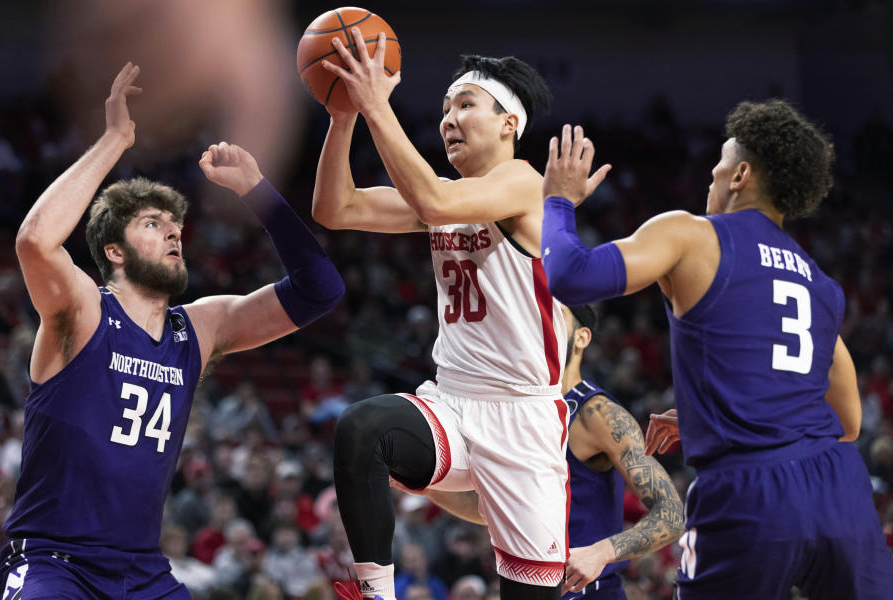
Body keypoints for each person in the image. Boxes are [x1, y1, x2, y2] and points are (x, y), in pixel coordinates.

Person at [0, 62, 344, 599]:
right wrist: (115, 140)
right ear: (114, 251)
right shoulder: (83, 312)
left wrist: (257, 191)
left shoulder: (199, 329)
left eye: (176, 225)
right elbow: (35, 242)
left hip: (142, 573)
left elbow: (321, 289)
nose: (174, 232)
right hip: (53, 563)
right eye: (152, 224)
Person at [539, 101, 893, 599]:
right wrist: (717, 414)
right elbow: (847, 422)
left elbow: (570, 276)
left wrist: (557, 202)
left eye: (718, 165)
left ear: (740, 174)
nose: (711, 176)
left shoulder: (692, 235)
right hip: (840, 490)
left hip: (750, 491)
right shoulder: (820, 283)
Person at [314, 29, 566, 600]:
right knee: (362, 427)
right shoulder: (447, 195)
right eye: (445, 108)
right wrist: (344, 114)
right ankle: (375, 592)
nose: (449, 118)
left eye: (465, 105)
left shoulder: (524, 182)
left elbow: (434, 201)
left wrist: (378, 104)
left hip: (523, 421)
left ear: (510, 124)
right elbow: (335, 207)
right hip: (451, 402)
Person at [399, 305, 684, 599]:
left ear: (582, 337)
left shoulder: (597, 414)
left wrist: (600, 553)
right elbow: (495, 512)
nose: (543, 321)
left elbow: (672, 514)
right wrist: (428, 489)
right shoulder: (517, 410)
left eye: (556, 313)